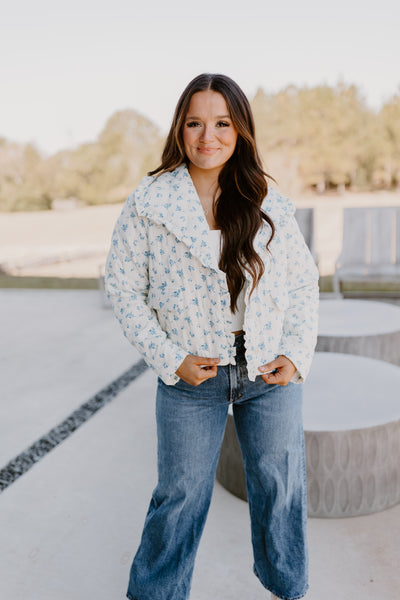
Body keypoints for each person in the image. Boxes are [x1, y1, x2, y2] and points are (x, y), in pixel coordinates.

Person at [105, 73, 319, 600]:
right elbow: (124, 289)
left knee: (281, 487)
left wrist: (295, 352)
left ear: (240, 129)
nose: (208, 137)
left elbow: (302, 282)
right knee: (179, 494)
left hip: (267, 372)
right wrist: (169, 356)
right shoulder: (148, 204)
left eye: (222, 123)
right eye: (195, 123)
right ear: (179, 129)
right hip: (189, 378)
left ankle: (288, 588)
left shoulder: (267, 198)